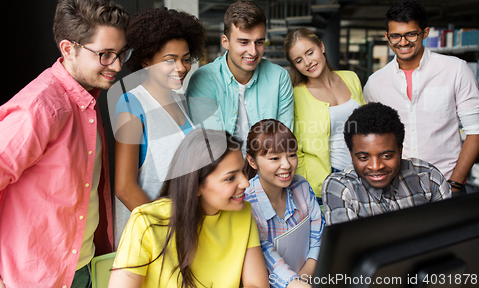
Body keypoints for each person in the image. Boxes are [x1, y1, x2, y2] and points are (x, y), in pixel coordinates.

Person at [0, 0, 131, 287]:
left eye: (122, 53)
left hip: (82, 269)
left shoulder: (86, 98)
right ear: (68, 48)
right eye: (105, 55)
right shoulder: (38, 109)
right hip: (34, 279)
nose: (117, 65)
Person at [108, 129, 270, 288]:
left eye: (242, 171)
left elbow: (256, 283)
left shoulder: (243, 213)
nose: (246, 183)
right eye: (230, 178)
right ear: (195, 186)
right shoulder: (145, 221)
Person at [363, 0, 479, 195]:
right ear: (387, 37)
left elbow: (475, 131)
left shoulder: (456, 70)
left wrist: (456, 185)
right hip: (396, 189)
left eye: (410, 34)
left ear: (424, 33)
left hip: (447, 184)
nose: (403, 42)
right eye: (395, 36)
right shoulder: (375, 83)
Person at [112, 8, 205, 245]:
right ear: (146, 60)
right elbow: (124, 187)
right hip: (154, 238)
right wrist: (167, 231)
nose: (182, 67)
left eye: (185, 59)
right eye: (170, 60)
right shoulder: (132, 104)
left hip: (185, 232)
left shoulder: (179, 100)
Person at [185, 1, 294, 153]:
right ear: (225, 42)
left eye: (259, 42)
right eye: (244, 42)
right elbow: (213, 148)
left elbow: (283, 143)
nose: (253, 51)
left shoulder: (279, 77)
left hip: (268, 172)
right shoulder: (204, 80)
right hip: (223, 172)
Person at [322, 103, 452, 225]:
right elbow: (348, 246)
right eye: (363, 157)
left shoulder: (428, 177)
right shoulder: (341, 188)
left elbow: (448, 233)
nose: (376, 166)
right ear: (351, 154)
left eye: (386, 156)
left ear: (400, 150)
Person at [283, 28, 365, 201]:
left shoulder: (351, 78)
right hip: (326, 182)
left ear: (321, 46)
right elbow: (294, 148)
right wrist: (305, 188)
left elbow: (368, 125)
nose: (307, 62)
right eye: (298, 60)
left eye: (310, 52)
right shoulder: (296, 94)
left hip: (363, 173)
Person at [244, 119, 324, 288]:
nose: (286, 165)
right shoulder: (246, 205)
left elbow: (319, 237)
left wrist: (302, 278)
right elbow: (269, 259)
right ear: (252, 161)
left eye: (292, 155)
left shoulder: (301, 186)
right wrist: (296, 283)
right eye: (274, 158)